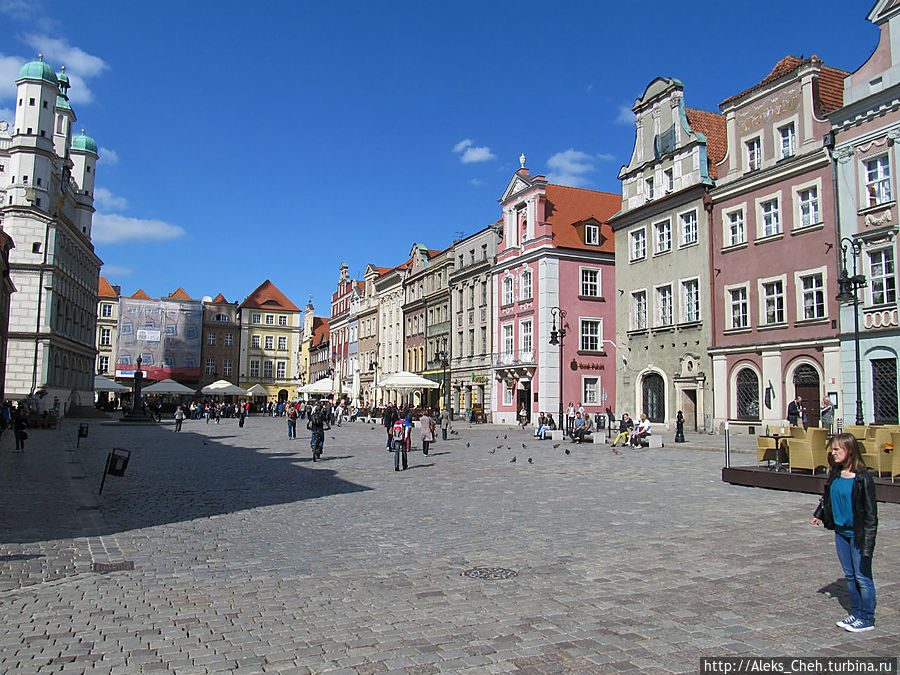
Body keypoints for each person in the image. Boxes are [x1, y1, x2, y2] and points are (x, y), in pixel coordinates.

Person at [811, 433, 878, 632]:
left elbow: (871, 515)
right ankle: (856, 613)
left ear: (850, 450)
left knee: (863, 577)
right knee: (850, 575)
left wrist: (867, 543)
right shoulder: (835, 472)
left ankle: (867, 618)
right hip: (840, 532)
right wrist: (820, 514)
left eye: (837, 449)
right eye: (832, 449)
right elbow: (827, 497)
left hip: (858, 534)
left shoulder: (863, 478)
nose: (833, 453)